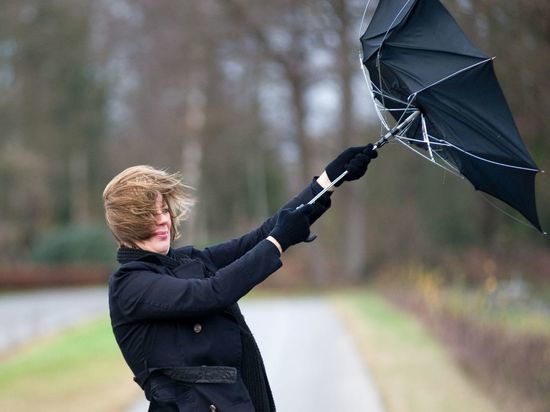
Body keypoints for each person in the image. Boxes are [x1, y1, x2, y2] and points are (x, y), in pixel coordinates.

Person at [103, 145, 377, 412]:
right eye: (150, 215)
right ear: (128, 223)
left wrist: (329, 181)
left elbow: (259, 237)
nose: (163, 220)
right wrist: (278, 241)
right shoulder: (129, 285)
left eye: (164, 210)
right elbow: (210, 294)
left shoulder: (187, 261)